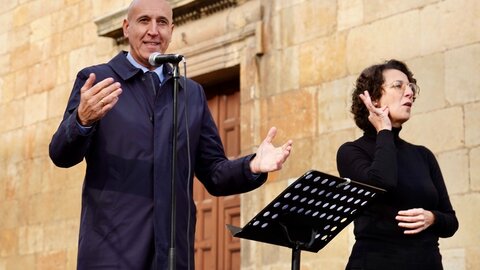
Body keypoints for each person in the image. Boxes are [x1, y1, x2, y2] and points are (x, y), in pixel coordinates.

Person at [49, 0, 293, 269]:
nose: (154, 30)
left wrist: (252, 166)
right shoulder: (97, 80)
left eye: (162, 22)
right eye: (144, 21)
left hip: (173, 254)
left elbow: (214, 173)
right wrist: (82, 120)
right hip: (111, 253)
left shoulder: (191, 93)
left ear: (172, 29)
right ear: (126, 28)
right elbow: (61, 154)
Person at [336, 59, 458, 270]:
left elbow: (451, 222)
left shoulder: (423, 155)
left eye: (411, 87)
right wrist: (384, 130)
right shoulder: (351, 151)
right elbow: (382, 182)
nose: (409, 92)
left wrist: (432, 218)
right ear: (373, 99)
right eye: (398, 86)